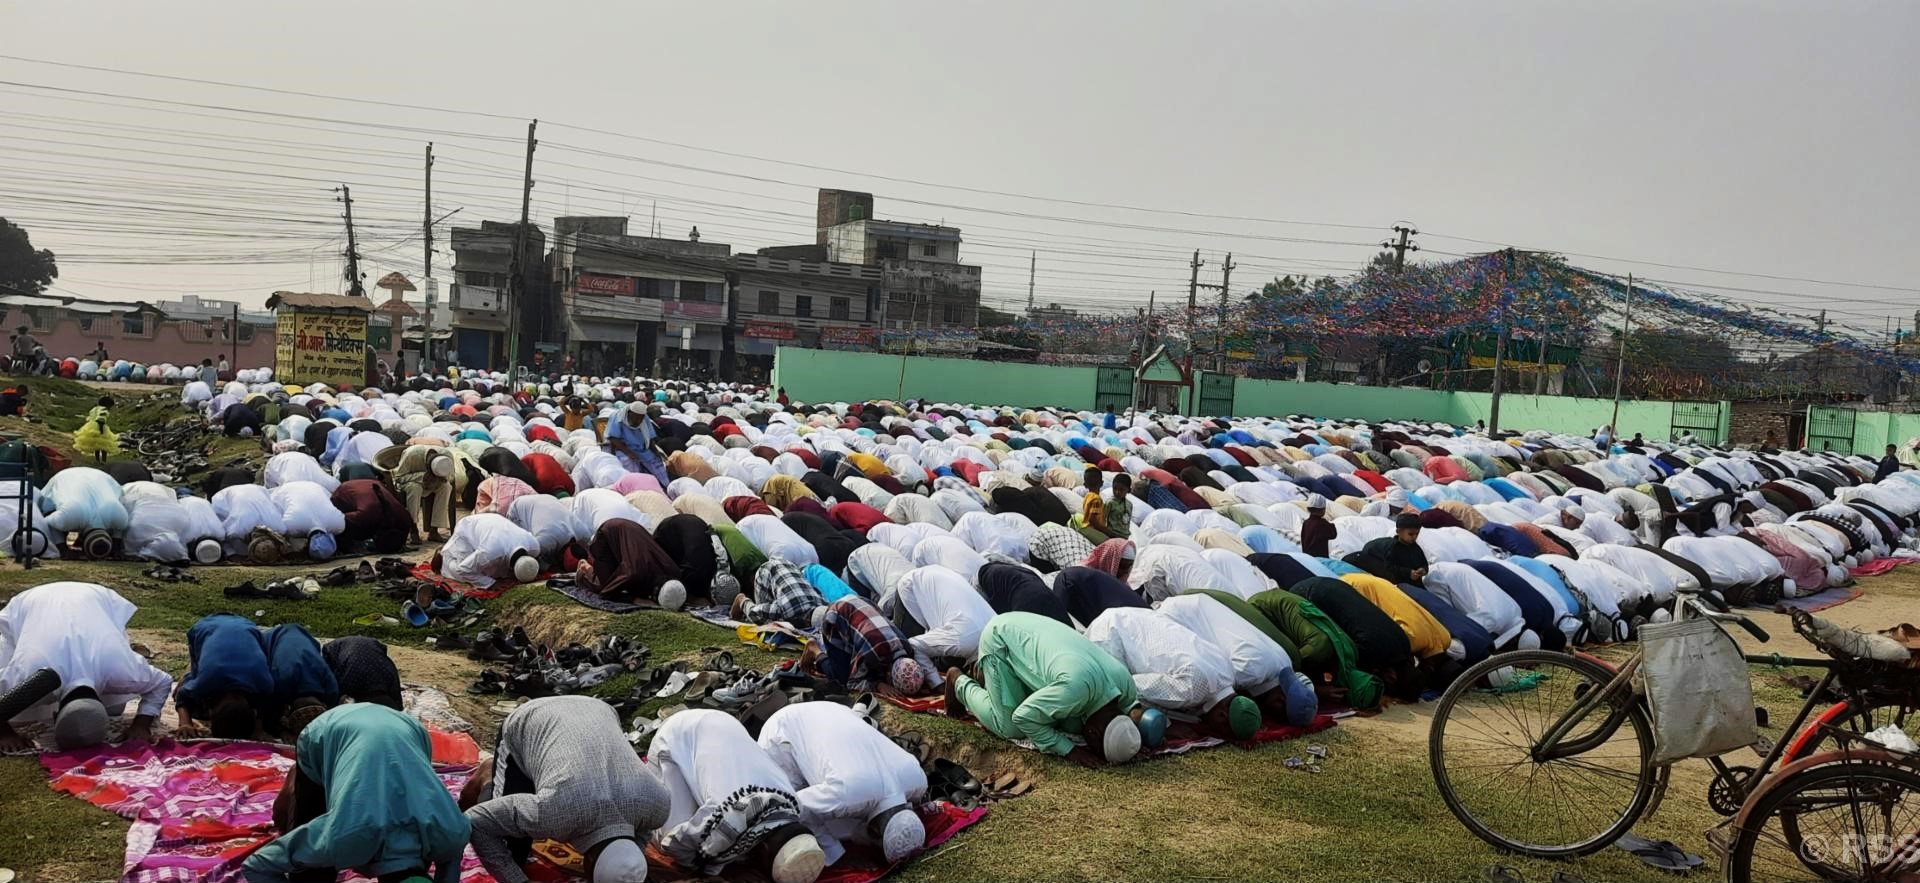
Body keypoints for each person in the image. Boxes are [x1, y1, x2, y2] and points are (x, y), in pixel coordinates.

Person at [247, 703, 470, 883]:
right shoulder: (342, 837)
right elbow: (257, 864)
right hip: (327, 730)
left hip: (407, 727)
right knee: (311, 872)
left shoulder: (453, 833)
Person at [462, 696, 668, 883]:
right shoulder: (556, 812)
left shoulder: (658, 805)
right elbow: (477, 821)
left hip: (598, 708)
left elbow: (642, 831)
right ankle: (488, 776)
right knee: (513, 848)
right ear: (590, 859)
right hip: (531, 718)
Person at [649, 709, 826, 883]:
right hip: (676, 733)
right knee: (664, 835)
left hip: (724, 720)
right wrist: (717, 869)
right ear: (763, 848)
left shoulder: (792, 804)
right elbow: (674, 846)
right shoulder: (726, 815)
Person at [946, 612, 1144, 764]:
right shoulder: (1075, 689)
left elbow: (1132, 707)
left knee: (1069, 722)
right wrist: (1070, 750)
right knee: (1009, 727)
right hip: (1001, 639)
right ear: (1093, 734)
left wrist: (1131, 736)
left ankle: (990, 680)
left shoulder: (1124, 682)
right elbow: (1022, 717)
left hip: (1029, 628)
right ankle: (959, 681)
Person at [0, 582, 171, 751]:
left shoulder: (120, 670)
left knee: (114, 709)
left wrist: (141, 726)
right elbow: (162, 681)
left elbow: (162, 682)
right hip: (31, 602)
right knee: (19, 713)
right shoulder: (27, 675)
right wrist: (5, 733)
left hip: (94, 598)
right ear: (56, 715)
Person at [758, 701, 930, 865]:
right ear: (874, 832)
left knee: (839, 820)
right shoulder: (846, 794)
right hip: (782, 731)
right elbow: (796, 803)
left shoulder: (918, 779)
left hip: (835, 710)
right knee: (784, 821)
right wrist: (836, 854)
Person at [1085, 607, 1259, 741]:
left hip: (1133, 617)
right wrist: (1167, 726)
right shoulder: (1192, 690)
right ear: (1222, 715)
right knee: (1111, 703)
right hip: (1111, 635)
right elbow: (1131, 687)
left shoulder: (1228, 672)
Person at [1157, 593, 1318, 727]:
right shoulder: (1249, 671)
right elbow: (1216, 690)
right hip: (1182, 617)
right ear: (1280, 701)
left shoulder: (1284, 661)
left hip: (1197, 605)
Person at [175, 614, 338, 740]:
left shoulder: (270, 683)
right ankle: (189, 676)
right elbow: (183, 696)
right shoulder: (266, 683)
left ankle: (191, 678)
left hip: (247, 628)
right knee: (195, 677)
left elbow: (265, 706)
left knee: (198, 678)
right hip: (216, 628)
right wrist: (185, 723)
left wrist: (262, 729)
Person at [804, 596, 935, 695]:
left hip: (860, 604)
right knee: (840, 678)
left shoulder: (907, 649)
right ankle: (814, 650)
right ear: (889, 673)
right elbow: (852, 682)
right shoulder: (873, 654)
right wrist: (878, 685)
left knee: (871, 671)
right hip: (836, 616)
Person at [377, 444, 456, 544]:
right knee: (415, 488)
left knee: (446, 487)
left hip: (434, 482)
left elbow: (452, 476)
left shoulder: (447, 456)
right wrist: (422, 476)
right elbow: (398, 477)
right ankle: (413, 528)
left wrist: (443, 478)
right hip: (410, 482)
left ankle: (434, 530)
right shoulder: (412, 455)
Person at [330, 479, 413, 555]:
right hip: (343, 491)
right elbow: (338, 519)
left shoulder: (404, 518)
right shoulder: (365, 514)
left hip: (370, 484)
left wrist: (401, 543)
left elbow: (404, 534)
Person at [320, 636, 402, 710]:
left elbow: (330, 685)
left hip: (352, 671)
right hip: (375, 687)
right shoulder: (387, 667)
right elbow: (395, 693)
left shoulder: (346, 670)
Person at [1345, 513, 1429, 585]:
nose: (1414, 537)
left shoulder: (1415, 548)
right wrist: (1408, 573)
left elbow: (1423, 563)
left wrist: (1423, 570)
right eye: (1410, 534)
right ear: (1398, 531)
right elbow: (1389, 568)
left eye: (1416, 534)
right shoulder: (1393, 548)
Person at [1298, 494, 1336, 558]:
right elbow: (1333, 534)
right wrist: (1331, 524)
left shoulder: (1306, 523)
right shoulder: (1322, 523)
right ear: (1323, 509)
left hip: (1308, 558)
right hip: (1321, 558)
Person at [1081, 467, 1107, 534]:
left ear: (1085, 485)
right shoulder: (1096, 499)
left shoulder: (1087, 496)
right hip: (1093, 530)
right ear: (1101, 483)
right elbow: (1092, 519)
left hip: (1085, 527)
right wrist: (1107, 532)